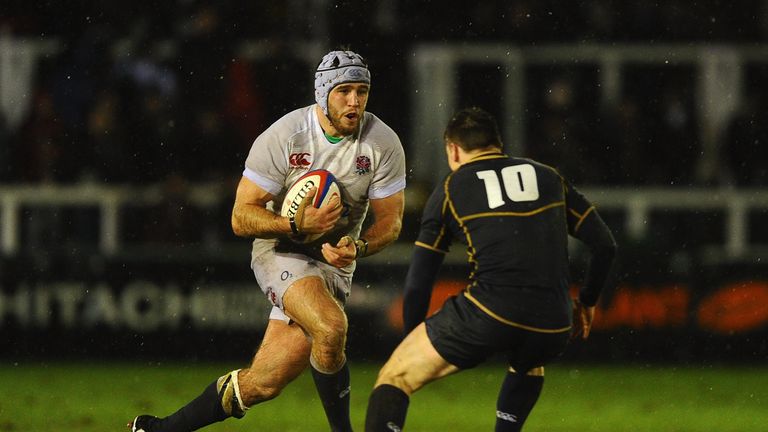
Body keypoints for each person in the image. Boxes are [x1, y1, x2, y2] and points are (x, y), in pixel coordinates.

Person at [130, 49, 406, 432]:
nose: (354, 101)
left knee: (263, 382)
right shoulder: (284, 137)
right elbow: (241, 217)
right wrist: (296, 224)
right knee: (331, 328)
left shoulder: (382, 143)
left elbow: (391, 221)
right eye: (344, 90)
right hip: (281, 251)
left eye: (362, 90)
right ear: (323, 93)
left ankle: (157, 430)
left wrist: (357, 247)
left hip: (334, 263)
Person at [365, 107, 617, 432]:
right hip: (554, 322)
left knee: (395, 376)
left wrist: (413, 335)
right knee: (530, 360)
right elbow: (605, 245)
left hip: (489, 312)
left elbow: (419, 279)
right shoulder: (548, 176)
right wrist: (588, 300)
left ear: (453, 149)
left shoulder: (451, 187)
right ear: (497, 144)